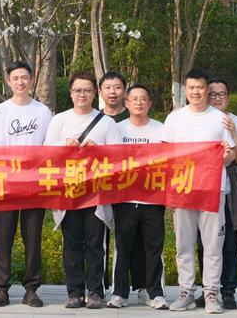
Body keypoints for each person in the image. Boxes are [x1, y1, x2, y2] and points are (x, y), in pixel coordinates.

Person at [44, 70, 120, 310]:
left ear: (95, 93)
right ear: (70, 93)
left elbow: (119, 158)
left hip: (96, 194)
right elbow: (46, 152)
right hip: (68, 192)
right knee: (72, 243)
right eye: (77, 90)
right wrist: (64, 145)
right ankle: (75, 292)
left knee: (96, 244)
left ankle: (95, 291)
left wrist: (99, 150)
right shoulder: (59, 120)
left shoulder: (106, 122)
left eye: (87, 90)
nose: (82, 95)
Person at [162, 68, 235, 314]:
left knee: (213, 245)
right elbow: (166, 156)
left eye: (200, 87)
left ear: (207, 89)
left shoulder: (220, 118)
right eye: (191, 87)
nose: (196, 92)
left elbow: (231, 154)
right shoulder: (175, 118)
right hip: (182, 189)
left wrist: (225, 156)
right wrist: (168, 191)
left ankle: (212, 293)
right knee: (184, 244)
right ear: (185, 90)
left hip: (213, 190)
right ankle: (186, 292)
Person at [0, 59, 52, 307]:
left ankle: (31, 289)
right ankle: (2, 289)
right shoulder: (1, 111)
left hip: (35, 184)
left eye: (24, 77)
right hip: (7, 183)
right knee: (4, 237)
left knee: (32, 237)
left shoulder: (42, 111)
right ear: (9, 81)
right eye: (15, 78)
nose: (20, 82)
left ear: (32, 79)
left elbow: (47, 147)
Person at [108, 84, 167, 310]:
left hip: (153, 198)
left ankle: (155, 293)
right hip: (124, 198)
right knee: (123, 246)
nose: (139, 103)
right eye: (134, 99)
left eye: (143, 99)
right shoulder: (117, 129)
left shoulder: (161, 129)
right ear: (127, 104)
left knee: (154, 247)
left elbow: (172, 160)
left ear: (150, 103)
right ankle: (119, 293)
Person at [199, 79, 237, 310]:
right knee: (205, 243)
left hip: (228, 189)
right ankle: (208, 289)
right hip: (203, 188)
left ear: (228, 97)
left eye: (222, 94)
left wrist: (233, 132)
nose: (217, 98)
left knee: (229, 242)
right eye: (212, 94)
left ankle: (228, 290)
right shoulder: (200, 119)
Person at [99, 70, 146, 303]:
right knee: (100, 239)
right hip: (102, 188)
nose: (112, 92)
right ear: (100, 92)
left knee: (134, 240)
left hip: (133, 190)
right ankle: (101, 287)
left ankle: (141, 286)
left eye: (117, 87)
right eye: (108, 88)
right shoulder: (95, 119)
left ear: (124, 92)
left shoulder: (134, 117)